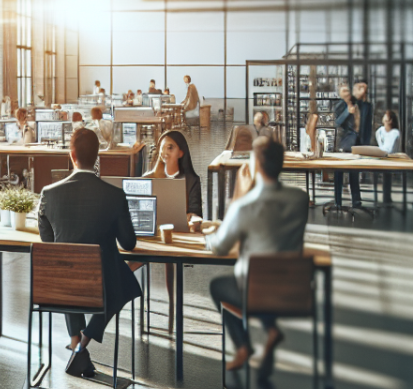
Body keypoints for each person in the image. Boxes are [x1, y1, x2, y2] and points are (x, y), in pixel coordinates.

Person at [37, 128, 142, 371]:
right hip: (101, 286)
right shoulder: (115, 195)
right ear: (98, 157)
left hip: (62, 288)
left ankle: (76, 341)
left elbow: (48, 243)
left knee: (68, 263)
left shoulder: (48, 194)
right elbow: (129, 244)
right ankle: (82, 344)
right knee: (122, 281)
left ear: (71, 155)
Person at [207, 137, 309, 372]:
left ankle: (243, 346)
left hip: (256, 291)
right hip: (294, 290)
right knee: (266, 280)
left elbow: (220, 247)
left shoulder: (245, 207)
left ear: (256, 166)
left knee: (219, 287)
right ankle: (270, 328)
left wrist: (239, 195)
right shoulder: (300, 200)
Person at [144, 130, 203, 332]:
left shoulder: (192, 180)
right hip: (150, 234)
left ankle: (171, 311)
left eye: (170, 147)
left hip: (176, 235)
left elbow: (195, 212)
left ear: (181, 152)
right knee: (128, 260)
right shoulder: (149, 177)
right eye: (162, 148)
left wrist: (193, 220)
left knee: (171, 259)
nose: (165, 152)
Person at [332, 82, 369, 208]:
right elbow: (337, 122)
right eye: (344, 91)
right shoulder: (339, 106)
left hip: (357, 143)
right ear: (340, 93)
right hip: (344, 143)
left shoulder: (356, 104)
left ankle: (356, 201)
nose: (346, 93)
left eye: (347, 90)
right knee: (339, 173)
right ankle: (337, 201)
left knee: (354, 173)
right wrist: (347, 112)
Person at [376, 109, 401, 203]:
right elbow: (381, 147)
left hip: (391, 159)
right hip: (382, 158)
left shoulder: (395, 133)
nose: (383, 117)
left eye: (386, 116)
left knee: (387, 174)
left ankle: (387, 199)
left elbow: (389, 150)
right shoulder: (380, 131)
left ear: (390, 120)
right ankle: (386, 199)